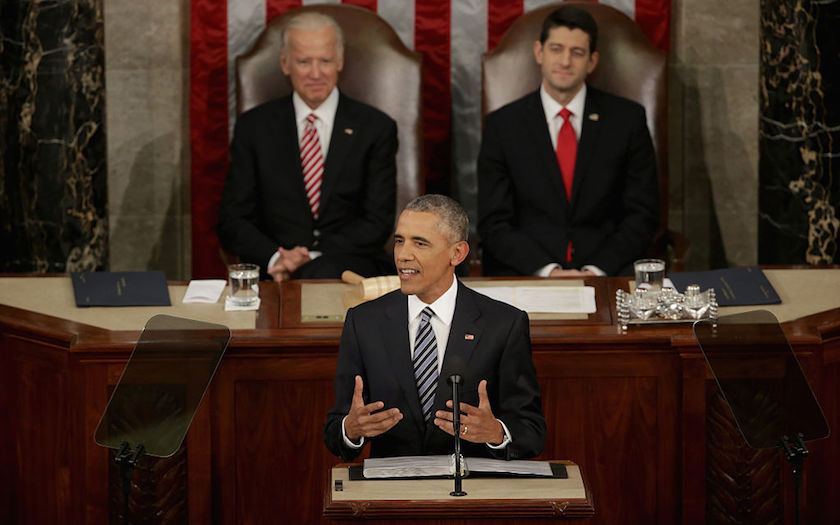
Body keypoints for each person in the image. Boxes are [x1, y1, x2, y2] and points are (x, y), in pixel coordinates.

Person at [324, 195, 546, 461]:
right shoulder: (363, 322)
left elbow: (531, 431)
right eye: (399, 241)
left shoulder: (503, 324)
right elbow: (335, 431)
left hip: (471, 489)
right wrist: (350, 430)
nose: (403, 255)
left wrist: (496, 433)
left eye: (420, 243)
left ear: (457, 253)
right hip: (394, 493)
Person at [477, 5, 660, 277]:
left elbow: (642, 215)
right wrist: (548, 271)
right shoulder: (502, 125)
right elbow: (494, 222)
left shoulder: (627, 120)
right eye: (556, 49)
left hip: (609, 272)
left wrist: (596, 270)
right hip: (527, 272)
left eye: (577, 53)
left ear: (592, 61)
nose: (565, 61)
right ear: (539, 52)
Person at [217, 11, 398, 280]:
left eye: (325, 61)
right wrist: (278, 257)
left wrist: (309, 260)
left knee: (322, 272)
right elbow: (233, 219)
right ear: (285, 63)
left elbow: (377, 223)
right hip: (272, 270)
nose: (316, 74)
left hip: (348, 268)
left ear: (340, 60)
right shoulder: (253, 127)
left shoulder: (376, 128)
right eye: (304, 62)